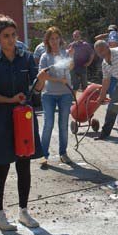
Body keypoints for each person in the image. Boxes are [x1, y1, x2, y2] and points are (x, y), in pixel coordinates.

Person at [0, 15, 46, 231]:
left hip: (23, 119)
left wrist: (41, 82)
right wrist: (9, 100)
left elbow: (36, 88)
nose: (11, 40)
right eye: (6, 36)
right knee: (1, 167)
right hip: (0, 120)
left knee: (24, 165)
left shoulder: (26, 58)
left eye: (13, 35)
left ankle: (23, 212)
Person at [38, 27, 74, 168]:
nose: (54, 41)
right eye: (51, 39)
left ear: (60, 39)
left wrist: (71, 56)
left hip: (65, 94)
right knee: (48, 124)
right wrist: (60, 81)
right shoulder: (45, 57)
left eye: (56, 38)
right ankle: (43, 154)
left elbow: (70, 67)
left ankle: (63, 153)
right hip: (49, 95)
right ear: (47, 41)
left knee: (63, 125)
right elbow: (43, 75)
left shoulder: (65, 53)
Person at [68, 30, 94, 95]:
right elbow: (67, 55)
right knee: (74, 84)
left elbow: (92, 53)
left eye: (77, 36)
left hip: (83, 67)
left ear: (80, 36)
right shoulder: (71, 45)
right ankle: (74, 100)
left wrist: (89, 62)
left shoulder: (85, 44)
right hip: (73, 67)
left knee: (84, 85)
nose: (76, 37)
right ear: (73, 37)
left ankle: (85, 100)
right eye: (74, 36)